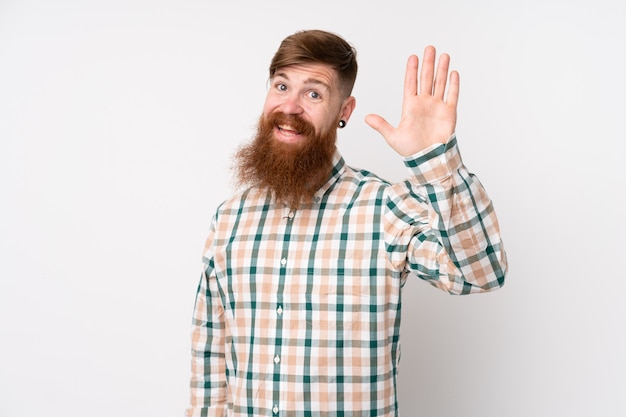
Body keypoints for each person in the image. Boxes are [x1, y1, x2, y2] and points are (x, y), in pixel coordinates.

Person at [186, 29, 507, 417]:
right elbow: (210, 349)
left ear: (345, 111)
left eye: (314, 93)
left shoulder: (385, 207)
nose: (290, 107)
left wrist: (435, 159)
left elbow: (482, 273)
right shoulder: (231, 217)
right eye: (281, 85)